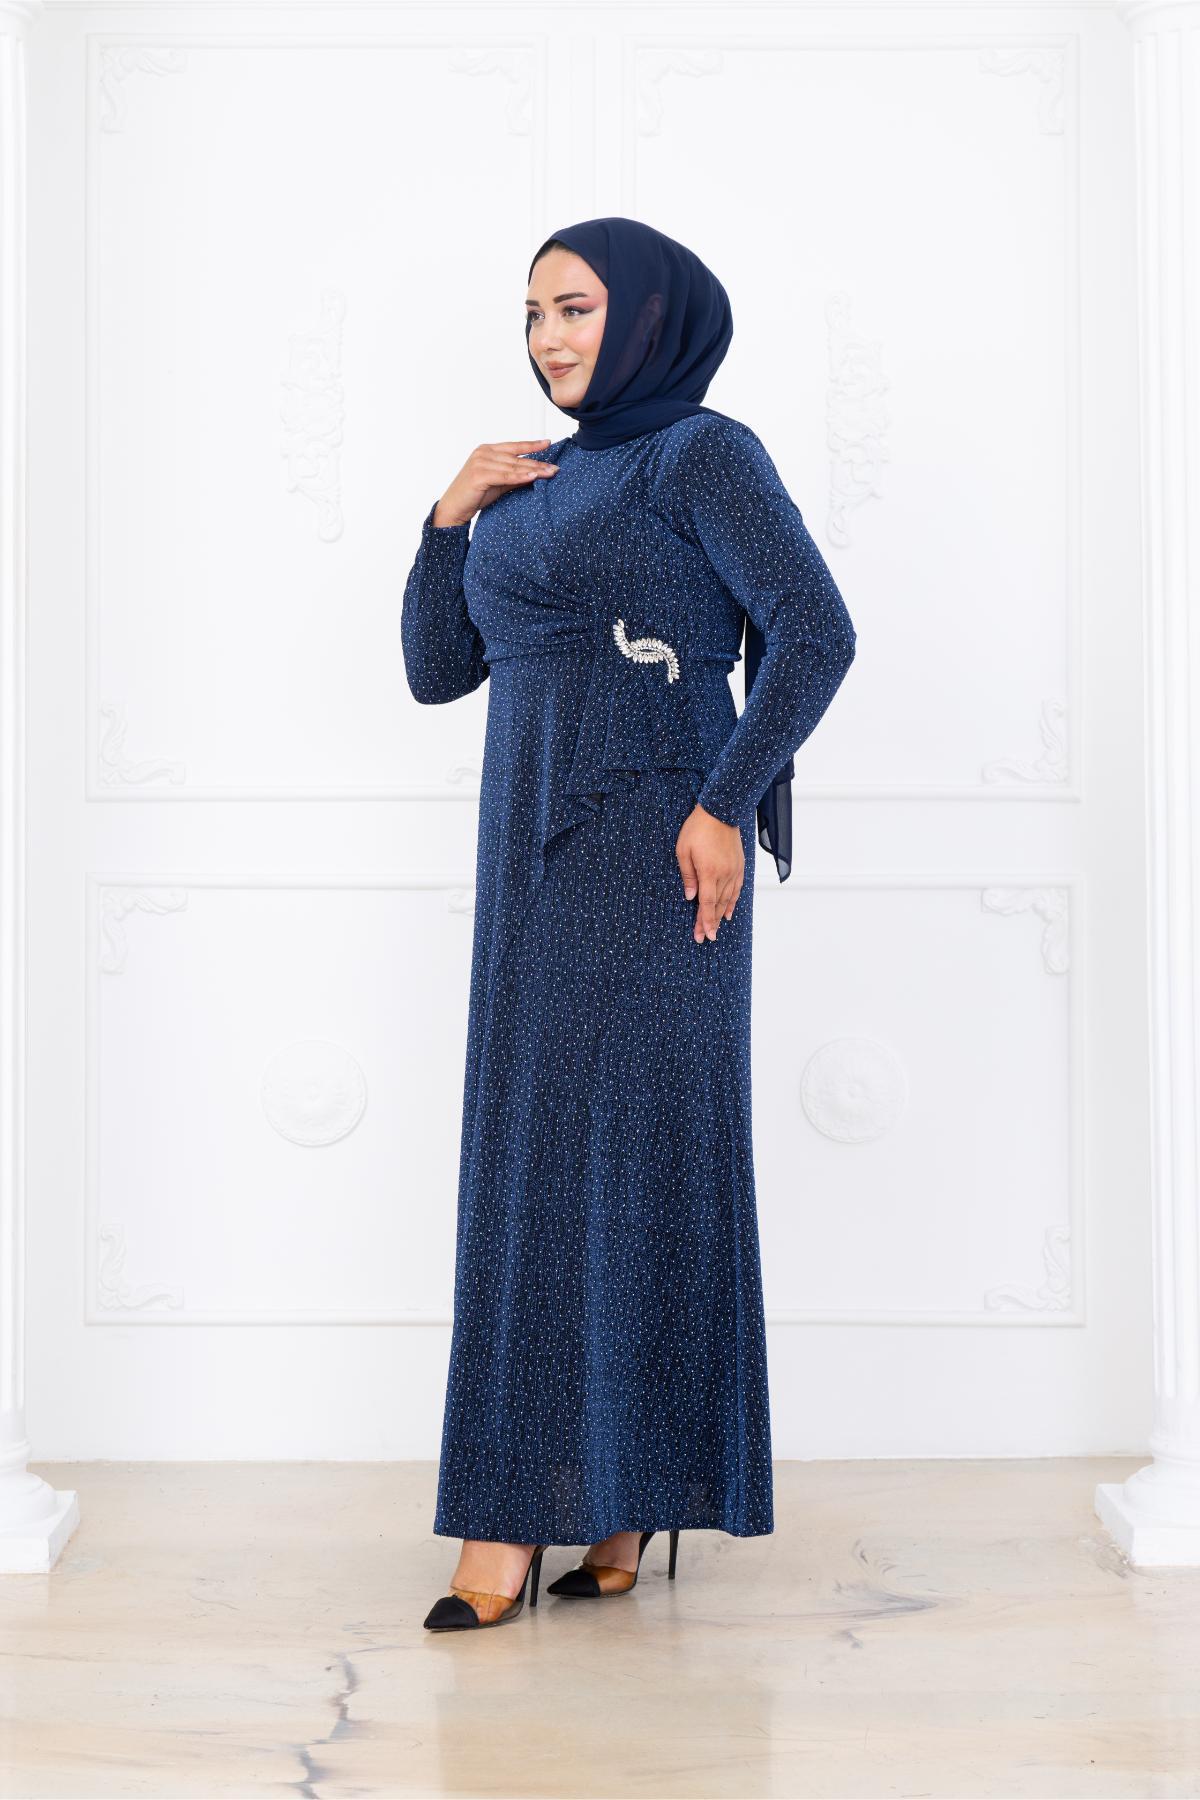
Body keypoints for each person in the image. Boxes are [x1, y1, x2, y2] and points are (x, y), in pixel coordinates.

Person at [402, 217, 858, 1633]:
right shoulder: (532, 477)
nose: (548, 338)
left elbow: (816, 631)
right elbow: (438, 670)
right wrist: (445, 520)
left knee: (635, 1163)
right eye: (533, 315)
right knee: (531, 1167)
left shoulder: (698, 454)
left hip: (660, 852)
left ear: (649, 316)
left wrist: (726, 802)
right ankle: (598, 1495)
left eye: (576, 307)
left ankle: (517, 1517)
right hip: (529, 856)